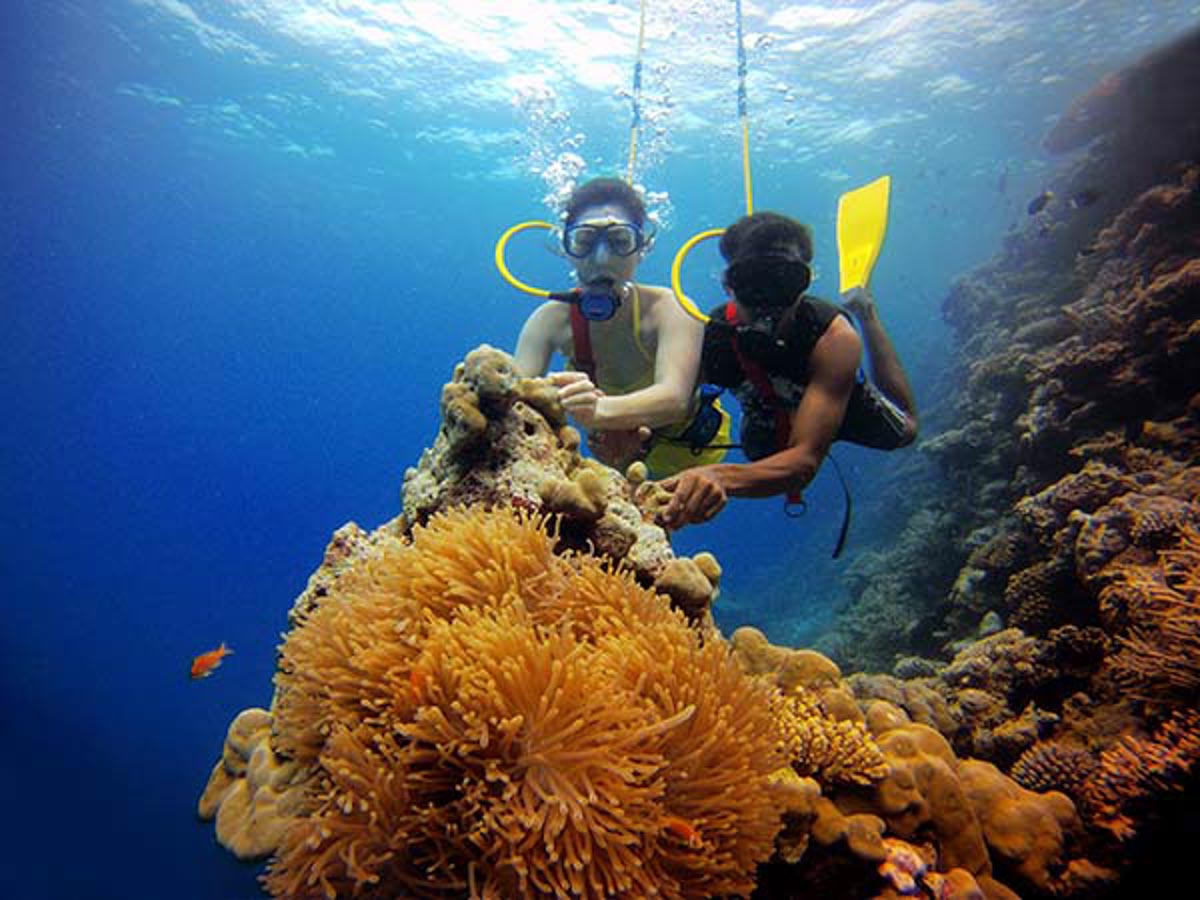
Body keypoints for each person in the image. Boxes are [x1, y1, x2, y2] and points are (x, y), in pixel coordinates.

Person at [659, 210, 917, 528]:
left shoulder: (833, 337)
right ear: (729, 286)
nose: (768, 301)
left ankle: (865, 312)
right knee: (760, 455)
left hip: (841, 409)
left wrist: (717, 475)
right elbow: (669, 400)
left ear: (804, 284)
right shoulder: (712, 337)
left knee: (906, 431)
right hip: (767, 418)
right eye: (752, 282)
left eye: (784, 281)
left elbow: (805, 462)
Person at [514, 177, 731, 476]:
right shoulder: (549, 321)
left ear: (642, 248)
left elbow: (674, 399)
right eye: (584, 241)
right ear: (566, 248)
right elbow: (514, 402)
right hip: (618, 466)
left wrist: (597, 412)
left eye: (620, 242)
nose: (602, 259)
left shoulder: (672, 309)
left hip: (692, 456)